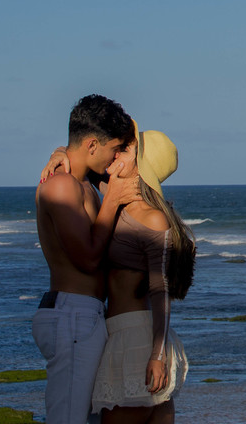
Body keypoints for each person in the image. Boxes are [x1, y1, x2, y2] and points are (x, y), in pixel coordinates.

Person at [34, 94, 139, 424]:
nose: (116, 159)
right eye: (113, 149)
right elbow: (88, 259)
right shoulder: (62, 187)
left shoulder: (85, 182)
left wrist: (60, 150)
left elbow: (136, 140)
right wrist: (113, 202)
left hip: (85, 314)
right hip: (71, 313)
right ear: (93, 144)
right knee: (68, 417)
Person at [90, 128, 196, 424]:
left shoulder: (151, 217)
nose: (114, 153)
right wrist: (58, 154)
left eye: (124, 150)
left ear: (141, 166)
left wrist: (157, 355)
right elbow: (83, 164)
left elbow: (160, 288)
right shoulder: (114, 199)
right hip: (121, 335)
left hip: (139, 341)